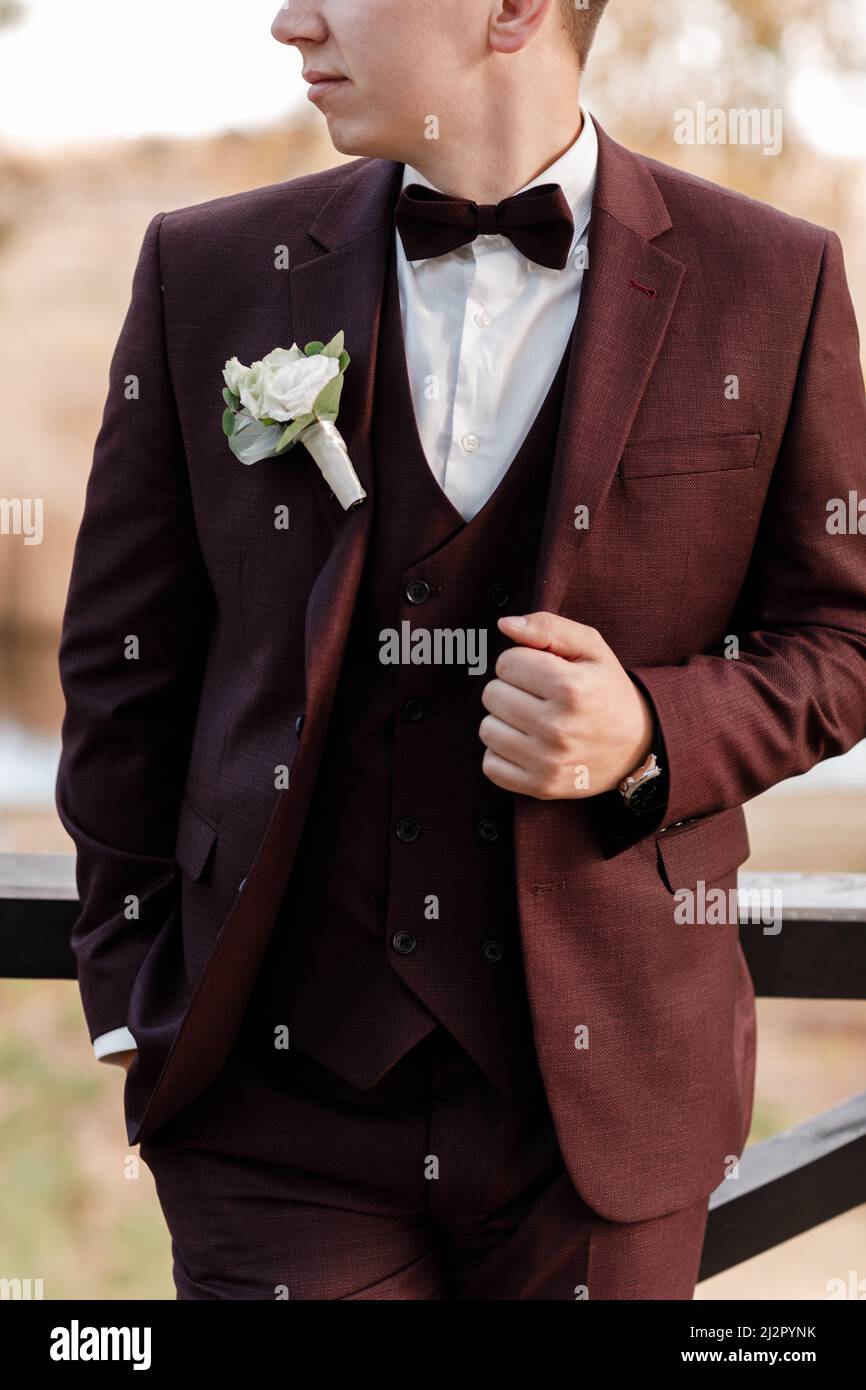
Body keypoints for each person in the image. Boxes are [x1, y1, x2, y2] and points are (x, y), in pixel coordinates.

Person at [55, 0, 866, 1299]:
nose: (288, 21)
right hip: (275, 1108)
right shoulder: (205, 271)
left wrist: (654, 730)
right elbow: (122, 664)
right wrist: (130, 994)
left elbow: (841, 637)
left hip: (600, 1116)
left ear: (508, 9)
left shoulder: (772, 279)